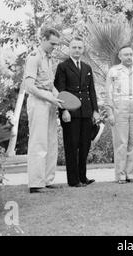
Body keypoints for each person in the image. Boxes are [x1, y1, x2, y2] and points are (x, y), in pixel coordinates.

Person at [54, 37, 99, 187]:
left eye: (80, 47)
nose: (77, 50)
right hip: (70, 112)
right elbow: (60, 90)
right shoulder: (63, 67)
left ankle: (83, 177)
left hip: (86, 111)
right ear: (69, 48)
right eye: (74, 47)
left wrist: (95, 111)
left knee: (85, 145)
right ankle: (73, 181)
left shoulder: (87, 67)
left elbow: (91, 90)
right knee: (72, 146)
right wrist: (64, 110)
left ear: (83, 49)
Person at [24, 27, 64, 193]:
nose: (54, 47)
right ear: (43, 38)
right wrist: (50, 98)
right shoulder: (34, 57)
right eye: (52, 43)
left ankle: (47, 180)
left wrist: (60, 98)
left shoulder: (49, 59)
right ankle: (36, 184)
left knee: (51, 142)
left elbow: (50, 84)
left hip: (49, 102)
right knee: (38, 142)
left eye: (56, 44)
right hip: (38, 102)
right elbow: (29, 87)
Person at [106, 45, 133, 184]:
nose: (129, 57)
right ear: (120, 56)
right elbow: (108, 93)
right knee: (121, 142)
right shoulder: (113, 71)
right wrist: (110, 113)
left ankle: (130, 174)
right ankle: (120, 175)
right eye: (126, 55)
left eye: (131, 54)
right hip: (120, 106)